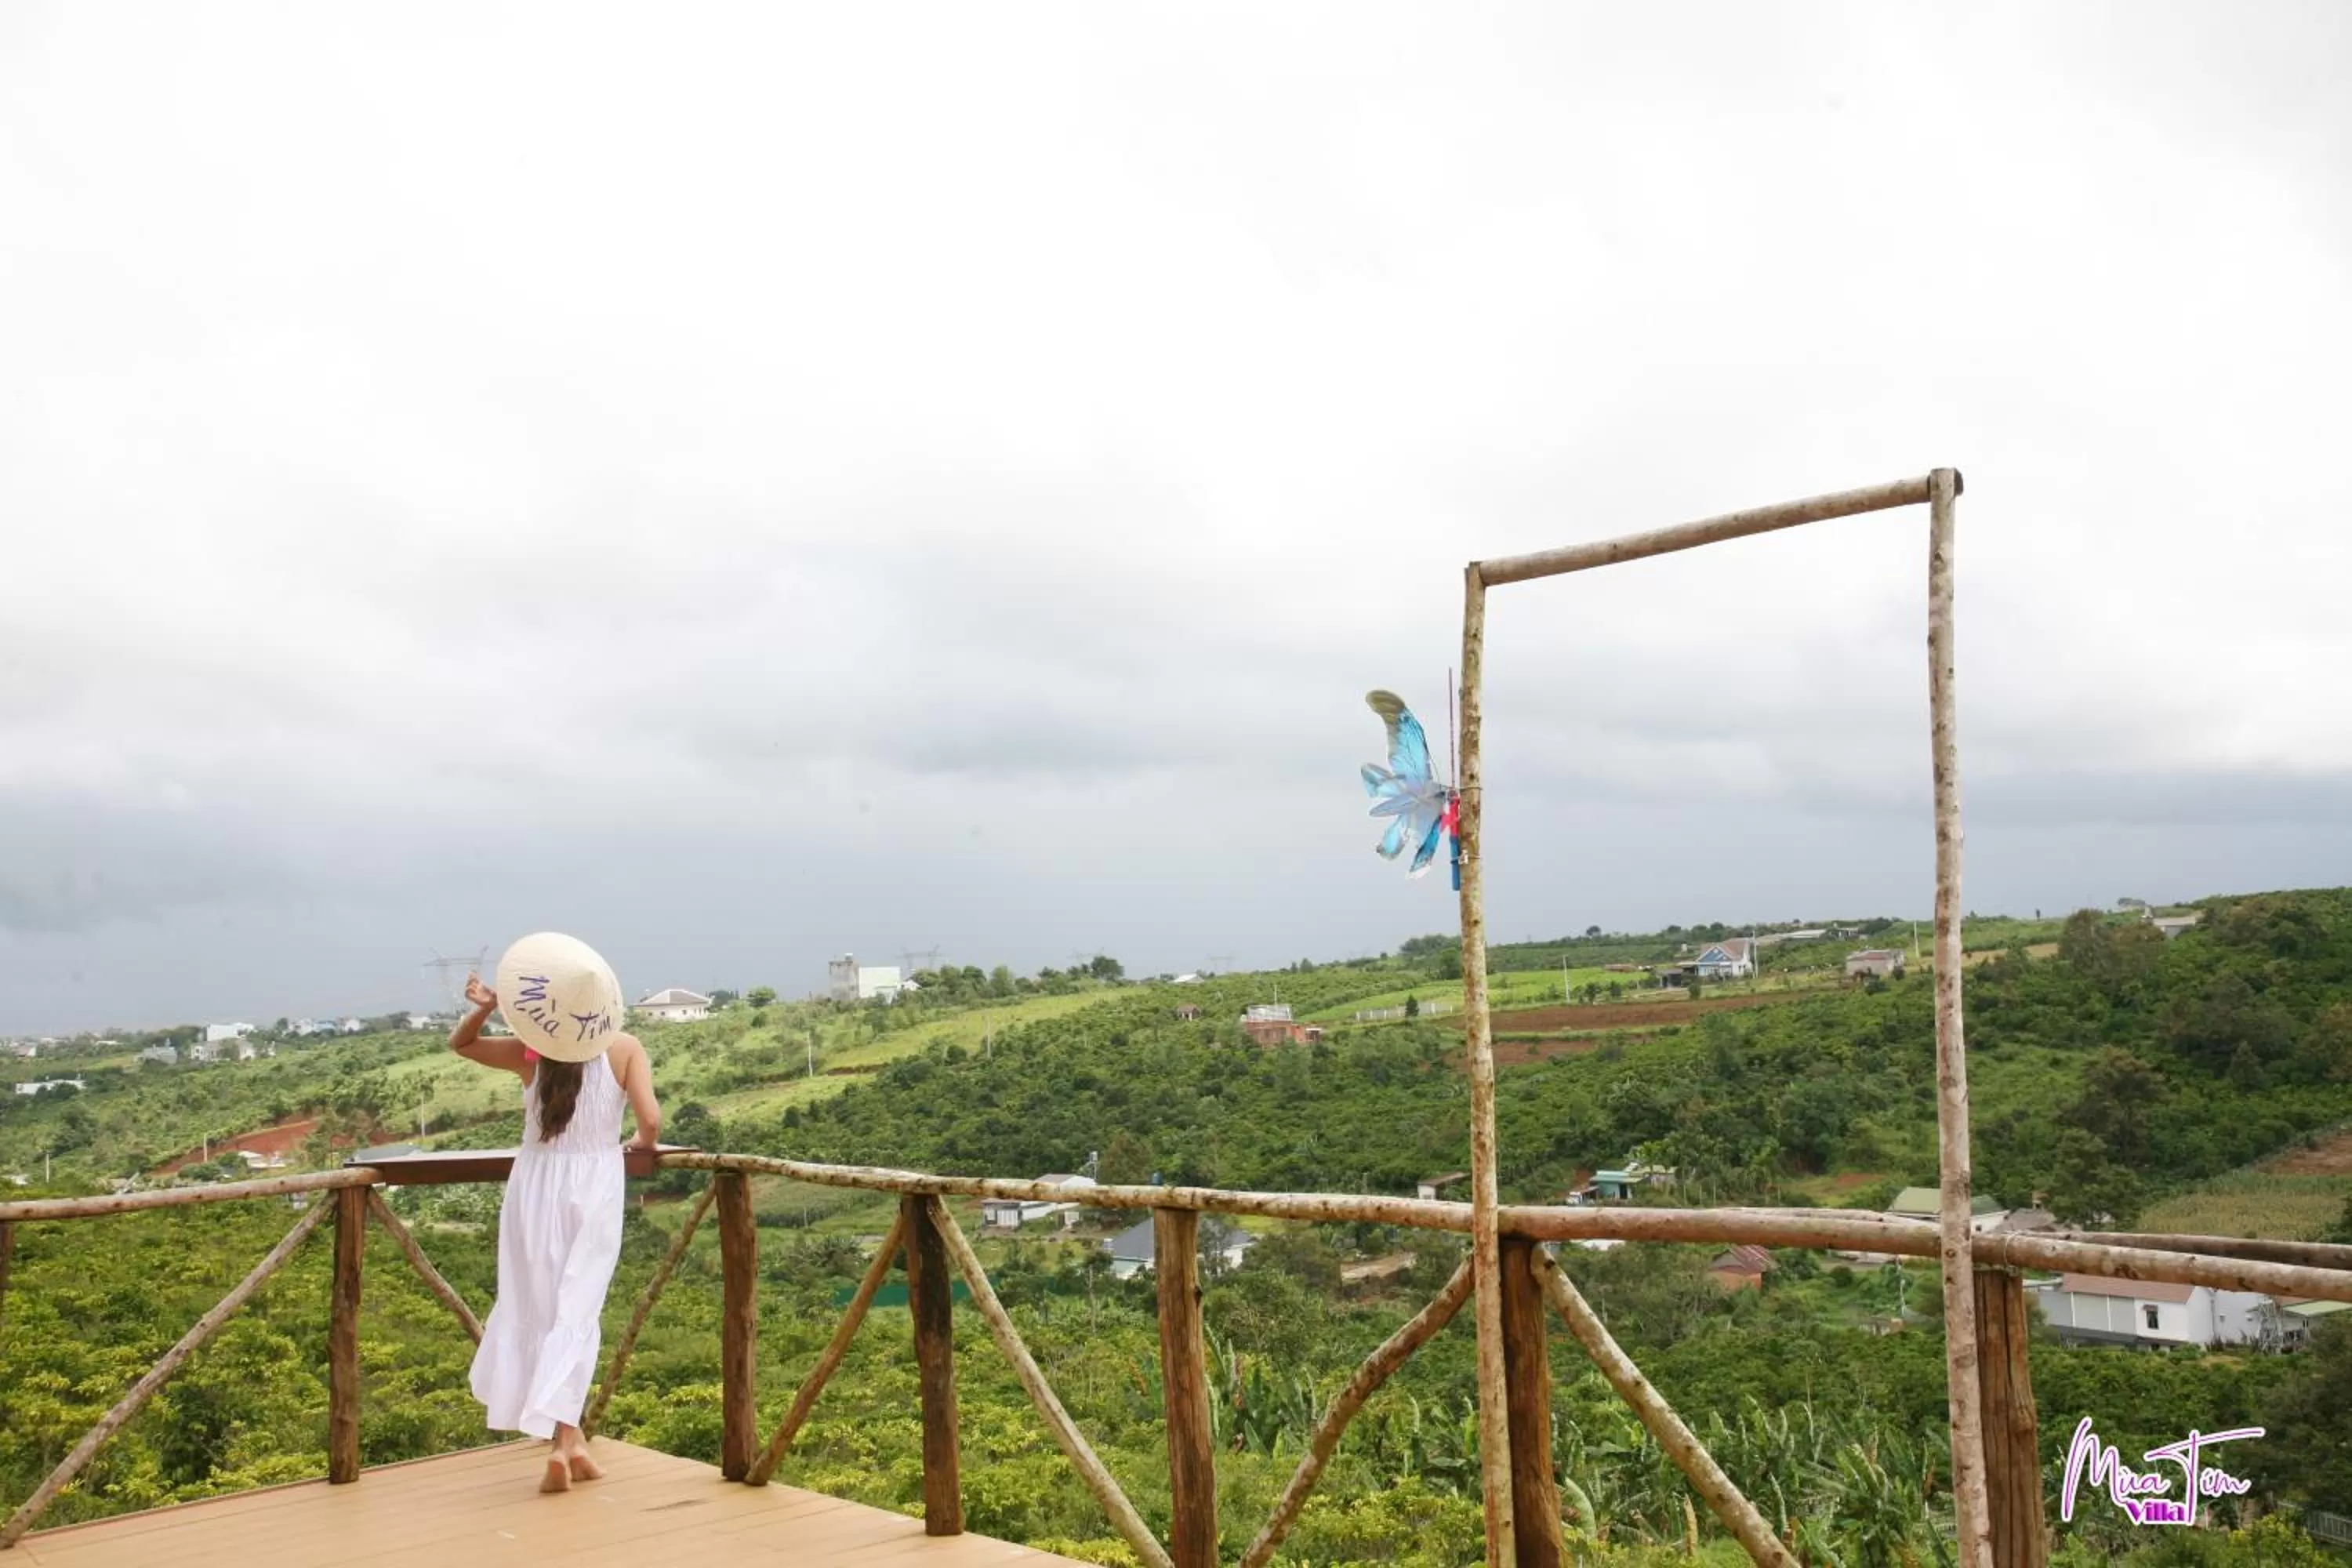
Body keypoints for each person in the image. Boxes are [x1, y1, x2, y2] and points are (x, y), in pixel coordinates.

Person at [448, 931, 662, 1494]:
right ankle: (567, 1442)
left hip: (535, 1184)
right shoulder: (625, 1048)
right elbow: (651, 1122)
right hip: (594, 1183)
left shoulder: (530, 1052)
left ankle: (567, 1442)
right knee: (577, 1310)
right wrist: (640, 1144)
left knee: (539, 1305)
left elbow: (462, 1044)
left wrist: (487, 1008)